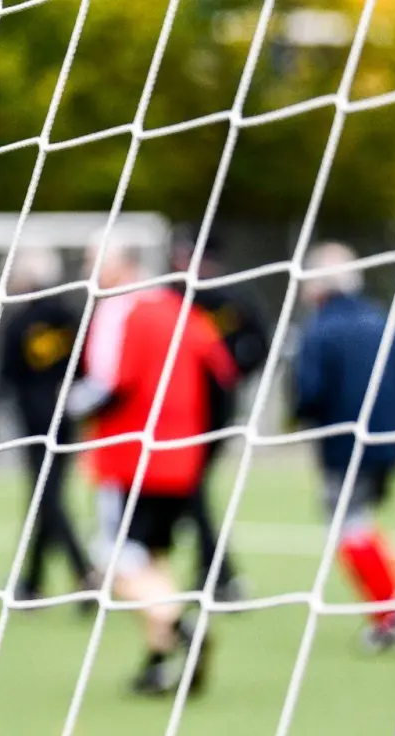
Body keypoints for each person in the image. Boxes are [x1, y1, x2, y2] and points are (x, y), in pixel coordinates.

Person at [67, 237, 236, 696]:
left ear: (123, 265)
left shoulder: (117, 311)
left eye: (93, 261)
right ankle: (159, 663)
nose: (89, 270)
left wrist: (66, 409)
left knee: (113, 562)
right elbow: (222, 374)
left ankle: (181, 627)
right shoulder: (179, 308)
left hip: (129, 459)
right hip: (182, 459)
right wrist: (205, 445)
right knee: (152, 557)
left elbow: (107, 384)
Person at [292, 242, 395, 652]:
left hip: (344, 445)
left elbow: (309, 392)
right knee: (359, 518)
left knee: (347, 522)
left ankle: (393, 609)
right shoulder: (382, 319)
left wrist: (304, 418)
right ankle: (392, 601)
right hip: (390, 441)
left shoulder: (319, 329)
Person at [0, 245, 98, 610]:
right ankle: (33, 583)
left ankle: (84, 571)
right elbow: (87, 365)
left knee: (46, 497)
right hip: (67, 418)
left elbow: (4, 375)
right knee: (45, 495)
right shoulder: (71, 317)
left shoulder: (18, 322)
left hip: (33, 422)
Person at [171, 226, 270, 604]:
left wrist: (229, 371)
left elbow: (259, 343)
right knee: (187, 489)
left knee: (190, 487)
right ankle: (212, 571)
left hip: (211, 409)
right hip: (178, 408)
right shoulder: (174, 295)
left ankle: (220, 574)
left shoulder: (232, 297)